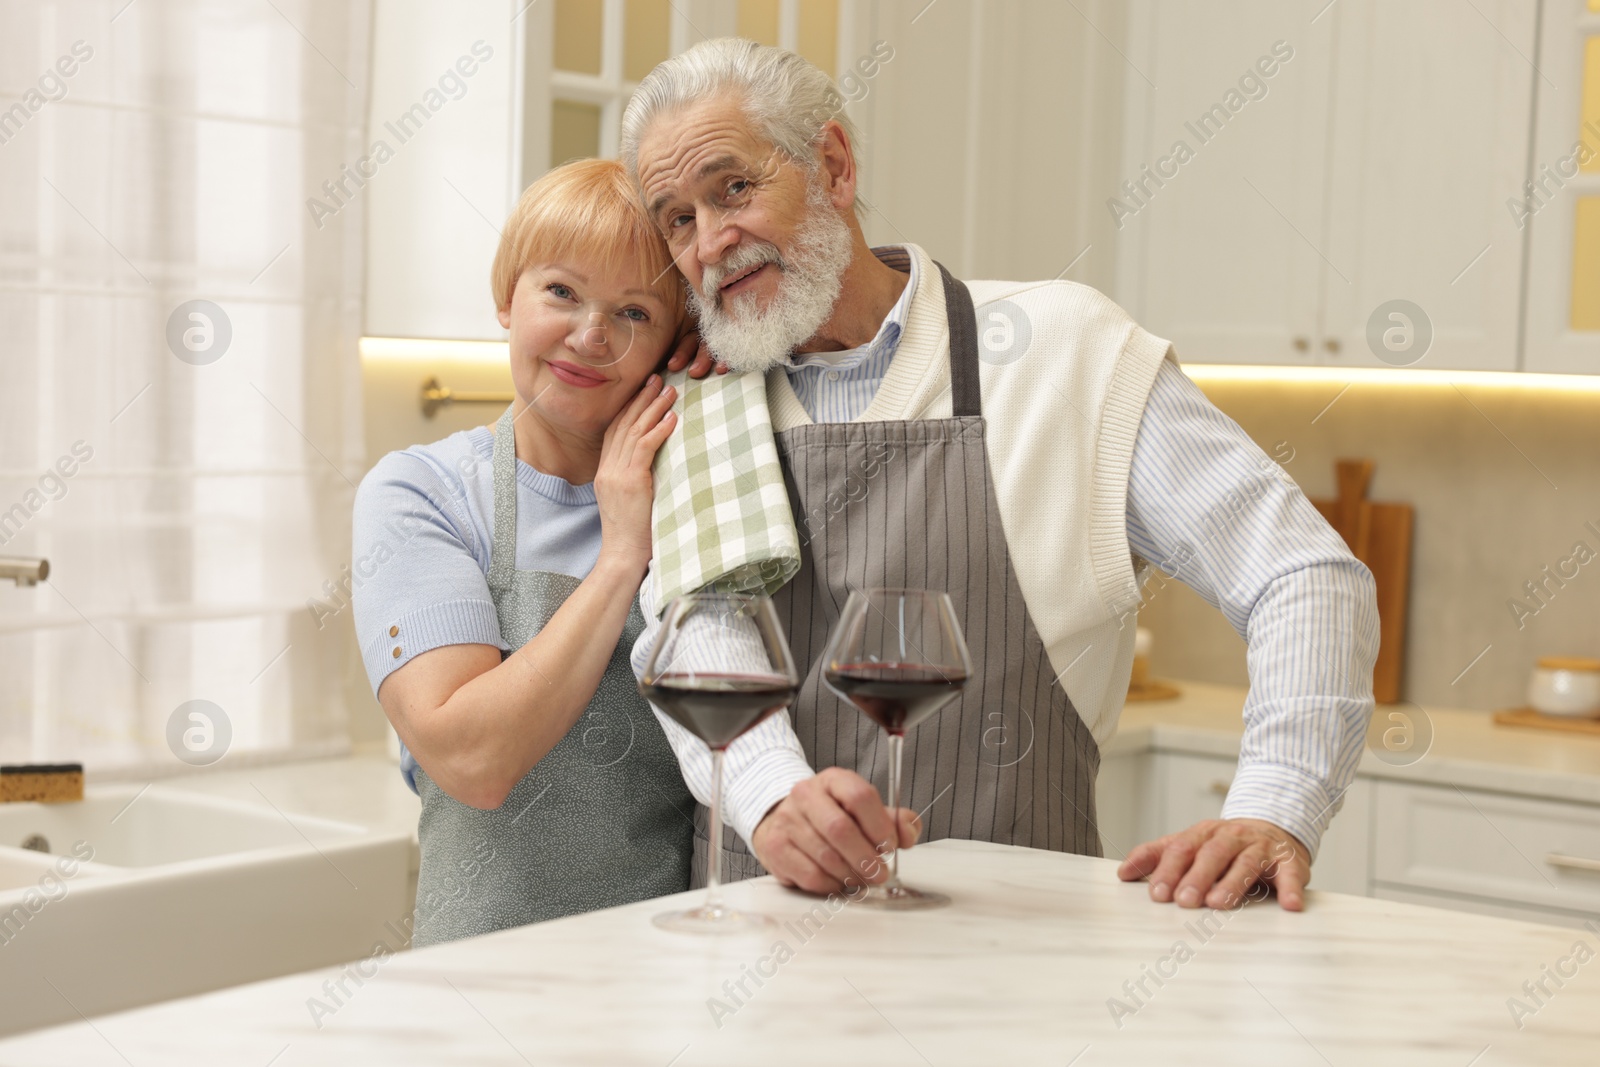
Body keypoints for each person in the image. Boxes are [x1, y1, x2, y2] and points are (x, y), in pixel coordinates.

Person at [625, 39, 1380, 912]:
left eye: (734, 189)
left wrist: (1277, 804)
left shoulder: (1065, 349)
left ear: (831, 165)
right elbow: (696, 633)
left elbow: (1303, 573)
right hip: (756, 961)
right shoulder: (702, 407)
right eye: (677, 218)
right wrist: (772, 798)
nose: (712, 242)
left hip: (1021, 968)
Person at [351, 159, 698, 946]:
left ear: (672, 344)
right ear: (508, 296)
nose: (590, 335)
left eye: (635, 311)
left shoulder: (694, 496)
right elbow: (472, 758)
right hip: (478, 976)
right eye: (562, 292)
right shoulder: (423, 494)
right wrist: (619, 561)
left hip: (659, 969)